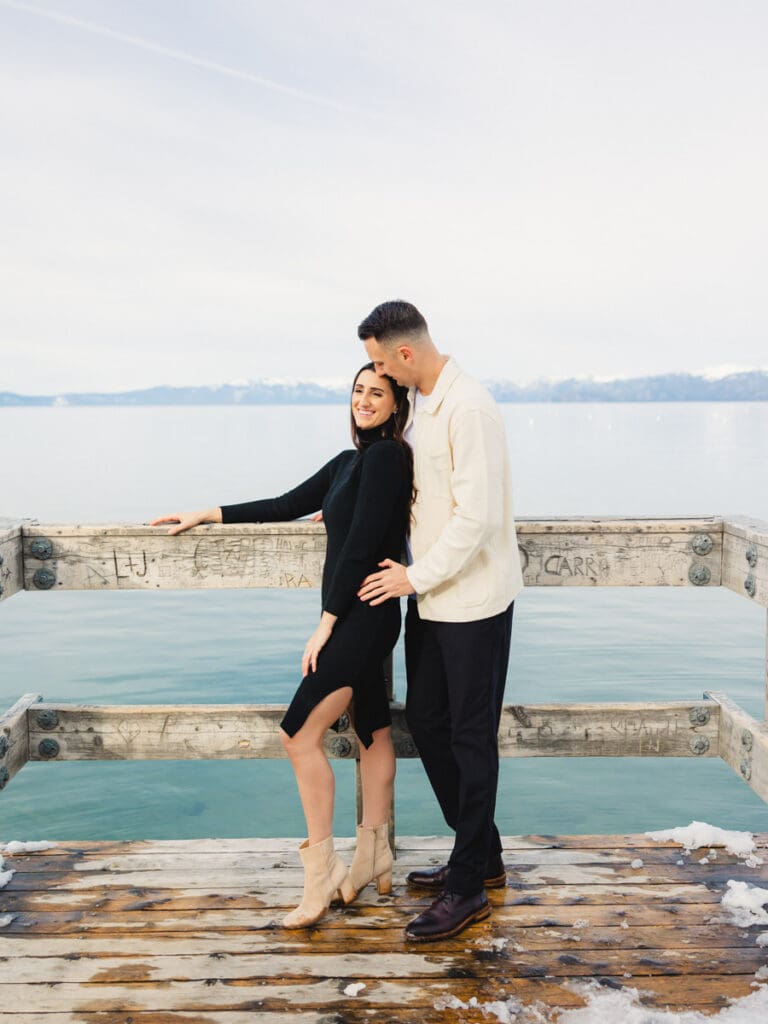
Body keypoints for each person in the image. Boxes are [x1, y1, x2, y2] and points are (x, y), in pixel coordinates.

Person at [151, 364, 413, 929]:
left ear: (397, 406)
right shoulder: (350, 463)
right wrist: (208, 512)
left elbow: (364, 542)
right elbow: (284, 502)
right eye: (359, 391)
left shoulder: (389, 457)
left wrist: (325, 623)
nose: (364, 401)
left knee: (297, 734)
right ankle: (374, 854)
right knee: (372, 730)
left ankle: (322, 874)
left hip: (361, 617)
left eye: (378, 394)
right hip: (360, 616)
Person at [356, 300, 524, 942]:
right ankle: (482, 854)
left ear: (403, 354)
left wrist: (411, 577)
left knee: (471, 738)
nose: (376, 375)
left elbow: (477, 519)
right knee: (427, 720)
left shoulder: (469, 407)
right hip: (431, 598)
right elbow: (423, 497)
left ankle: (467, 889)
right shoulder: (426, 403)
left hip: (472, 601)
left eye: (378, 363)